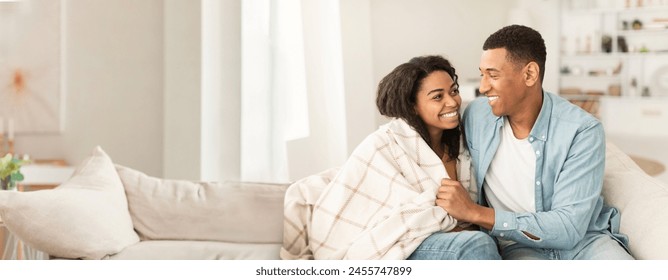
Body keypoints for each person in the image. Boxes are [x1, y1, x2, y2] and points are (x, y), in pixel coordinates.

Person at [437, 24, 633, 260]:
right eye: (482, 74)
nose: (483, 86)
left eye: (493, 75)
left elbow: (568, 228)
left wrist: (476, 213)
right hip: (517, 245)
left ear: (530, 74)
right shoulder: (476, 115)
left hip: (585, 242)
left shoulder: (582, 130)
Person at [280, 55, 500, 260]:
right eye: (437, 97)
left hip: (450, 235)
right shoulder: (384, 144)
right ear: (412, 106)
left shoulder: (463, 141)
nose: (452, 102)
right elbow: (377, 213)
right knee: (476, 244)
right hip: (401, 242)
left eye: (453, 91)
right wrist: (446, 217)